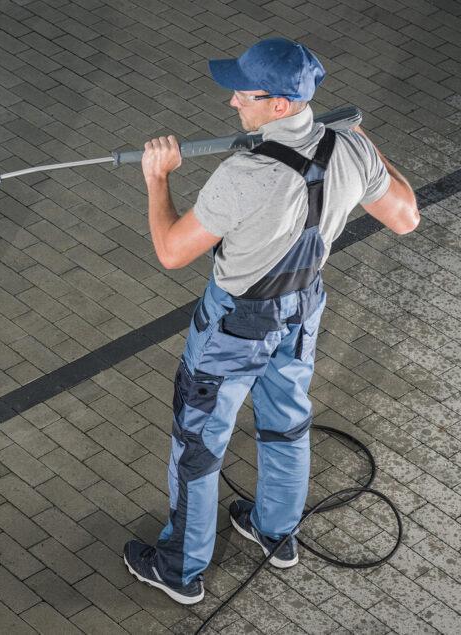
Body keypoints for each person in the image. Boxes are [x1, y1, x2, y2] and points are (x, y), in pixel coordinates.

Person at [121, 37, 420, 604]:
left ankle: (180, 568)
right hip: (303, 309)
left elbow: (171, 251)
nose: (234, 101)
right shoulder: (351, 151)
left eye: (245, 93)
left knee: (199, 443)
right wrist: (366, 149)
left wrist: (158, 178)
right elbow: (405, 216)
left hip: (235, 325)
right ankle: (274, 530)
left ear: (279, 105)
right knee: (286, 422)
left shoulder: (245, 174)